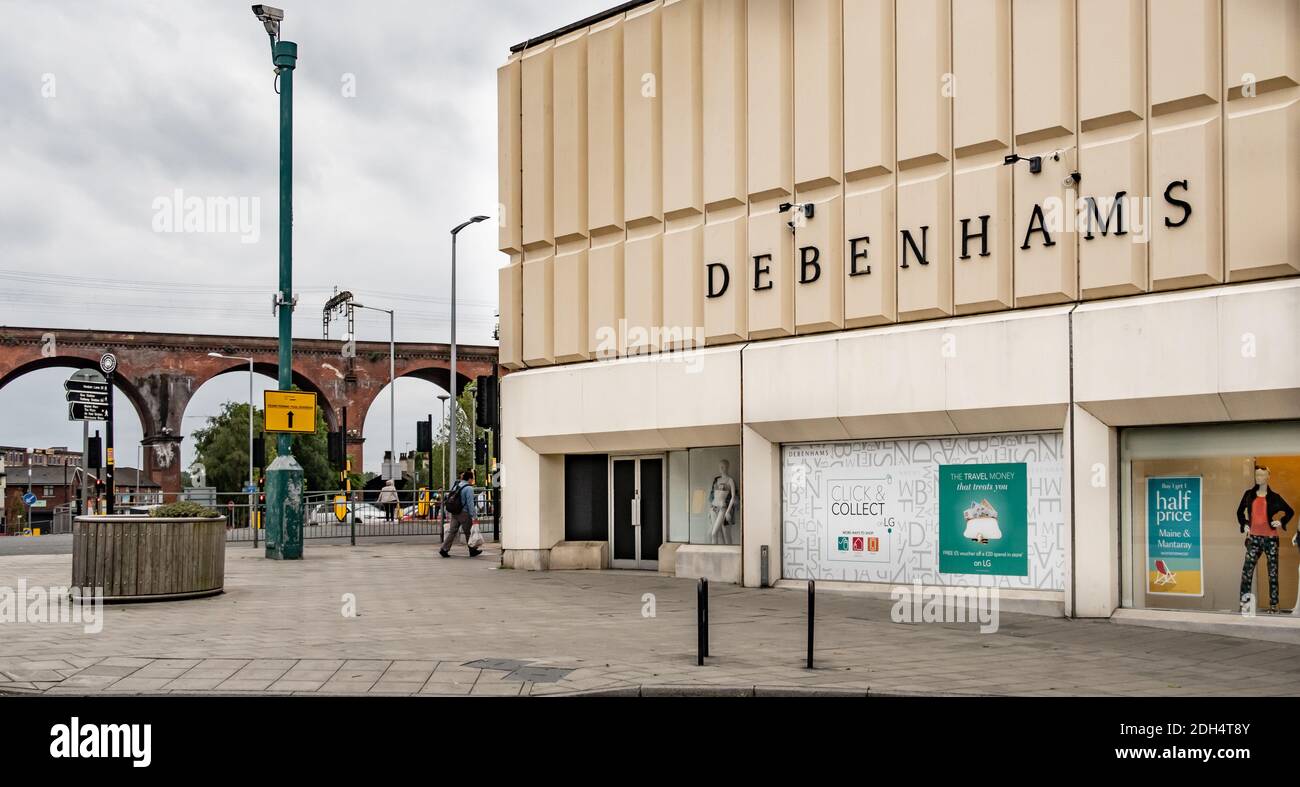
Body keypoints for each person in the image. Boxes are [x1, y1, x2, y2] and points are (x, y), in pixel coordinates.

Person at [440, 470, 480, 558]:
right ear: (469, 479)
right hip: (464, 513)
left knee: (452, 532)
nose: (472, 480)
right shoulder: (469, 488)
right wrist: (474, 516)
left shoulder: (457, 485)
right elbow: (470, 504)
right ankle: (472, 550)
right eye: (472, 479)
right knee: (468, 532)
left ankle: (444, 549)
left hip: (454, 512)